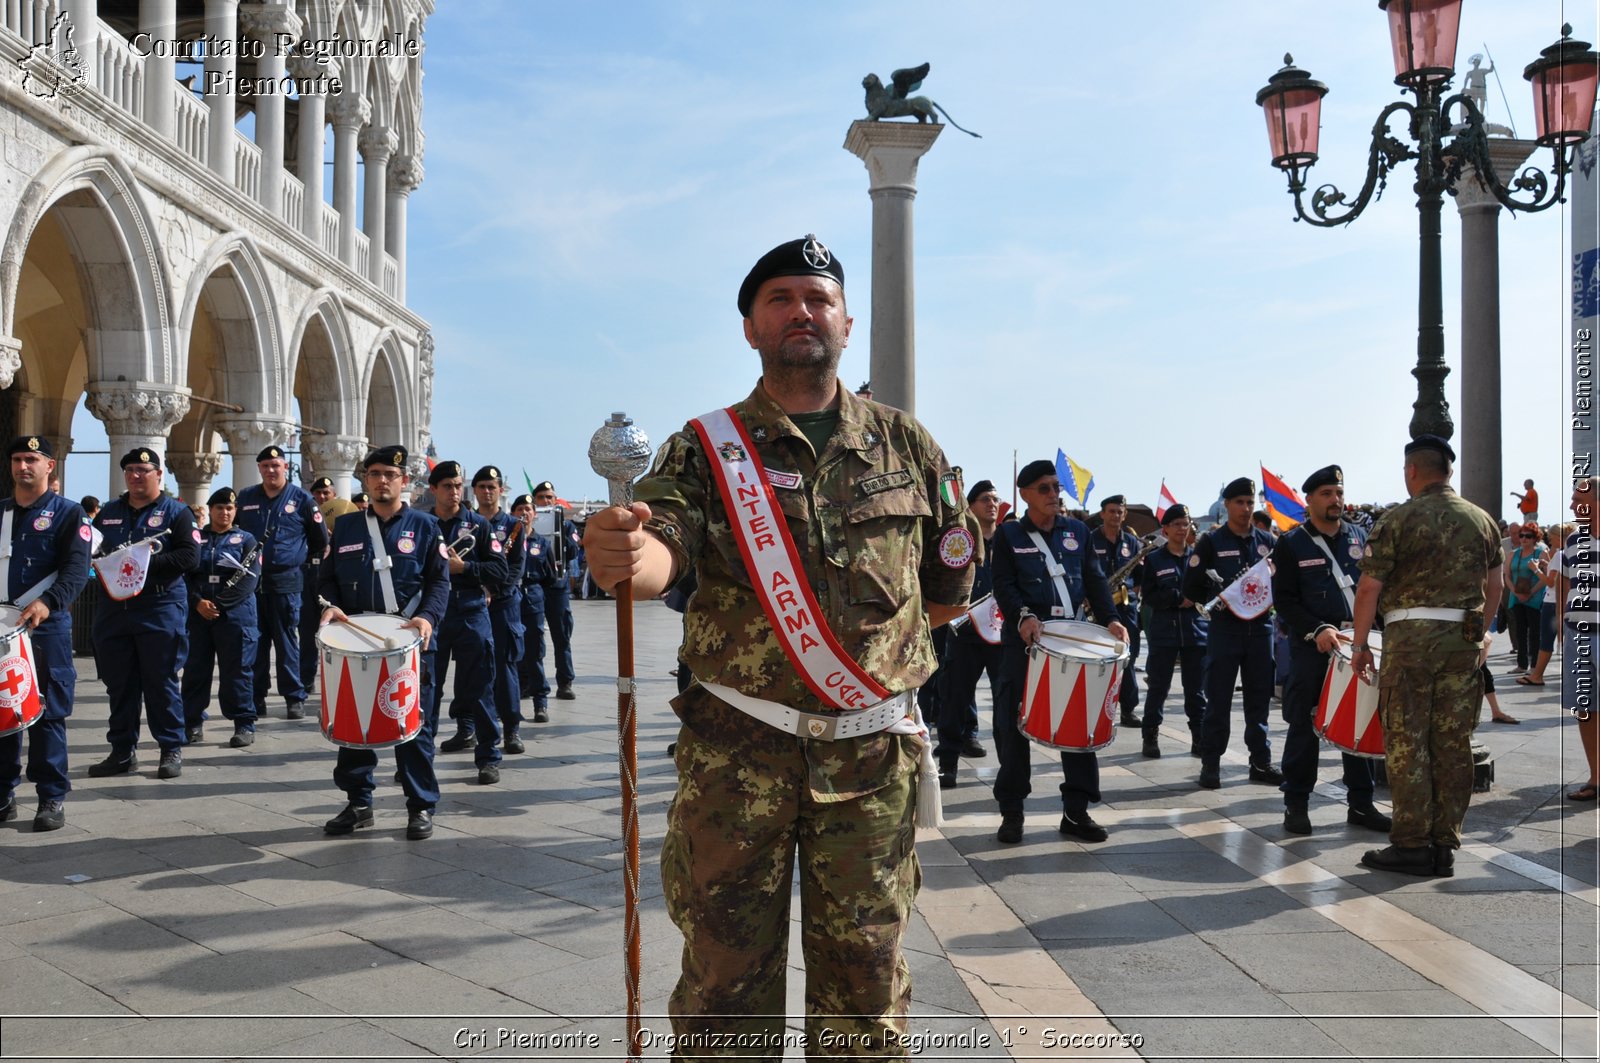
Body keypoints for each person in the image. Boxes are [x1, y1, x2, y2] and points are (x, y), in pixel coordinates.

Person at [582, 234, 974, 1050]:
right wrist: (630, 556)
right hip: (737, 762)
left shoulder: (908, 446)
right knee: (727, 983)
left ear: (846, 321)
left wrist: (863, 681)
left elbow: (943, 592)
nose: (803, 311)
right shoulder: (704, 446)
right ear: (751, 328)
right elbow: (663, 549)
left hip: (869, 771)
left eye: (818, 298)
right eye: (780, 299)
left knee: (866, 985)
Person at [1351, 436, 1502, 877]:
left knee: (1408, 742)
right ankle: (1444, 844)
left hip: (1410, 644)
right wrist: (1482, 632)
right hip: (1463, 645)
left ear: (1412, 470)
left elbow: (1368, 588)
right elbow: (1496, 588)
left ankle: (1412, 843)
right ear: (1448, 472)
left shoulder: (1398, 519)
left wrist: (1360, 646)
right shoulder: (1482, 521)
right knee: (1453, 743)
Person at [991, 461, 1130, 844]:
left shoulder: (1078, 533)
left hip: (1070, 638)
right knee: (1013, 725)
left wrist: (1112, 619)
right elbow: (1003, 585)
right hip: (1026, 642)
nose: (1054, 494)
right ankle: (1012, 811)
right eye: (1044, 488)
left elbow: (1096, 581)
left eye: (1056, 487)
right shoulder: (1009, 535)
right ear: (1024, 494)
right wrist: (1022, 617)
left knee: (1079, 723)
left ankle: (1077, 811)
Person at [318, 444, 449, 840]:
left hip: (409, 643)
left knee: (412, 726)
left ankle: (420, 805)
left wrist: (426, 618)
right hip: (358, 642)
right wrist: (331, 607)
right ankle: (359, 803)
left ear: (404, 481)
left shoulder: (425, 527)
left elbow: (439, 582)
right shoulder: (348, 527)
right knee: (354, 723)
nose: (381, 482)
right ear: (366, 481)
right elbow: (326, 580)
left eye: (390, 475)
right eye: (374, 475)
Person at [1268, 465, 1391, 836]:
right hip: (1314, 647)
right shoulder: (1291, 544)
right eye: (1326, 494)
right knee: (1304, 725)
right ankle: (1297, 803)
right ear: (1309, 500)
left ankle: (1361, 803)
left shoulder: (1360, 536)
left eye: (1338, 492)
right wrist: (1316, 628)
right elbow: (1284, 601)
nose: (1335, 500)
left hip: (1358, 646)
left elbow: (1378, 588)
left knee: (1359, 719)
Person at [89, 447, 200, 779]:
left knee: (160, 680)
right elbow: (91, 553)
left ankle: (170, 748)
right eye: (130, 470)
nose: (136, 475)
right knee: (119, 684)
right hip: (114, 608)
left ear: (158, 474)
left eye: (143, 469)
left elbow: (189, 558)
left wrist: (139, 564)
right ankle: (122, 751)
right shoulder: (108, 512)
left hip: (159, 606)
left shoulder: (176, 513)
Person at [0, 436, 89, 830]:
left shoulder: (69, 514)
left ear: (49, 466)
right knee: (3, 712)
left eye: (32, 459)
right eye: (18, 459)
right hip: (2, 629)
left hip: (45, 628)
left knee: (47, 712)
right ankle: (3, 794)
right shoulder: (1, 512)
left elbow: (75, 571)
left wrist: (47, 602)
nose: (24, 467)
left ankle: (51, 797)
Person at [1184, 477, 1283, 789]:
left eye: (1250, 503)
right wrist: (1217, 595)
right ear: (1226, 505)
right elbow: (1190, 586)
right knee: (1218, 699)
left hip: (1261, 629)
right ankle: (1211, 764)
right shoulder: (1211, 543)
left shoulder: (1268, 542)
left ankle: (1260, 761)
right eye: (1239, 502)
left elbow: (1282, 583)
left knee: (1259, 700)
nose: (1245, 508)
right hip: (1225, 630)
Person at [429, 461, 509, 783]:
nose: (454, 492)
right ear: (433, 489)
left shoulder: (478, 525)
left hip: (472, 612)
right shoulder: (422, 525)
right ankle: (419, 757)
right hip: (433, 615)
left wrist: (465, 570)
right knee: (427, 691)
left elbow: (500, 571)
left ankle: (488, 757)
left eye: (458, 485)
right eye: (447, 485)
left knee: (481, 688)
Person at [235, 445, 326, 722]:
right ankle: (257, 696)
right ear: (259, 468)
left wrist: (297, 561)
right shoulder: (247, 497)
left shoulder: (301, 499)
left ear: (285, 467)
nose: (271, 470)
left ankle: (293, 697)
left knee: (287, 641)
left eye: (276, 465)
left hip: (287, 580)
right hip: (252, 582)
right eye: (265, 466)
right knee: (255, 641)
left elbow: (320, 539)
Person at [180, 488, 261, 748]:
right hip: (199, 615)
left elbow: (250, 579)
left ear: (235, 512)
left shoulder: (247, 539)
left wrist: (219, 604)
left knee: (237, 671)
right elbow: (184, 575)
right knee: (195, 670)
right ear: (210, 510)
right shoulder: (196, 539)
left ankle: (243, 724)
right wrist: (197, 603)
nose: (224, 513)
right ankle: (192, 722)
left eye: (229, 508)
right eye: (219, 508)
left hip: (236, 615)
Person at [935, 479, 1002, 786]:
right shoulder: (959, 540)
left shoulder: (1008, 542)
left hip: (1001, 636)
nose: (992, 504)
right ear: (971, 506)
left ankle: (1011, 766)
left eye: (995, 499)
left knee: (1006, 701)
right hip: (964, 633)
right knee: (954, 698)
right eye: (986, 499)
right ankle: (948, 762)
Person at [1140, 503, 1207, 758]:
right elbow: (1148, 595)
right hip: (1164, 632)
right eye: (1176, 524)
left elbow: (1210, 589)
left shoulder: (1198, 557)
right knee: (1158, 687)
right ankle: (1150, 735)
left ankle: (1198, 737)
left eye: (1185, 523)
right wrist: (1176, 598)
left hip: (1195, 632)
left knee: (1195, 690)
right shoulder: (1155, 559)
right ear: (1165, 529)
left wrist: (1195, 597)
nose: (1182, 528)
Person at [473, 465, 528, 754]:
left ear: (500, 490)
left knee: (506, 669)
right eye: (482, 486)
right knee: (473, 670)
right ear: (475, 491)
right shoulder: (467, 523)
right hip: (472, 604)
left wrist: (492, 590)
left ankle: (511, 730)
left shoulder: (515, 526)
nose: (487, 491)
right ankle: (468, 726)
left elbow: (516, 567)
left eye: (492, 486)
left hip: (504, 605)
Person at [1558, 481, 1598, 801]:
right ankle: (1596, 778)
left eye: (1578, 499)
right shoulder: (1572, 541)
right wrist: (1562, 622)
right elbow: (1568, 585)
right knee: (1585, 708)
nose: (1572, 506)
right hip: (1577, 634)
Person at [1089, 494, 1144, 727]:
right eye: (1111, 511)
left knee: (1127, 657)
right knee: (1097, 657)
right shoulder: (1090, 539)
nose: (1115, 515)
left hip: (1125, 606)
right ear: (1102, 514)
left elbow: (1140, 577)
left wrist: (1130, 596)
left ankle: (1128, 709)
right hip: (1097, 607)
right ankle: (1095, 706)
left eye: (1119, 511)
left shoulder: (1132, 542)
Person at [530, 480, 580, 701]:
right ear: (534, 500)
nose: (546, 501)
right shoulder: (526, 523)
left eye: (549, 497)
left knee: (562, 637)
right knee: (532, 637)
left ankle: (565, 682)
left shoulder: (566, 524)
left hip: (557, 587)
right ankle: (530, 682)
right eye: (542, 497)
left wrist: (562, 539)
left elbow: (575, 550)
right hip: (534, 587)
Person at [511, 492, 556, 723]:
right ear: (513, 514)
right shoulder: (507, 541)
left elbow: (550, 575)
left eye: (528, 509)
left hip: (534, 600)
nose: (524, 513)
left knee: (535, 654)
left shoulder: (542, 543)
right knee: (513, 655)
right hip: (511, 600)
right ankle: (512, 704)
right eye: (520, 509)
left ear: (534, 515)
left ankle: (541, 703)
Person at [1504, 521, 1548, 676]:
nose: (1523, 539)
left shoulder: (1541, 554)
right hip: (1516, 597)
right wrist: (1515, 592)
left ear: (1535, 538)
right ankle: (1521, 664)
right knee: (1520, 632)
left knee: (1535, 633)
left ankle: (1535, 666)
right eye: (1521, 535)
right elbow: (1507, 576)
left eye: (1528, 536)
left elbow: (1547, 578)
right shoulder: (1512, 554)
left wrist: (1531, 592)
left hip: (1534, 597)